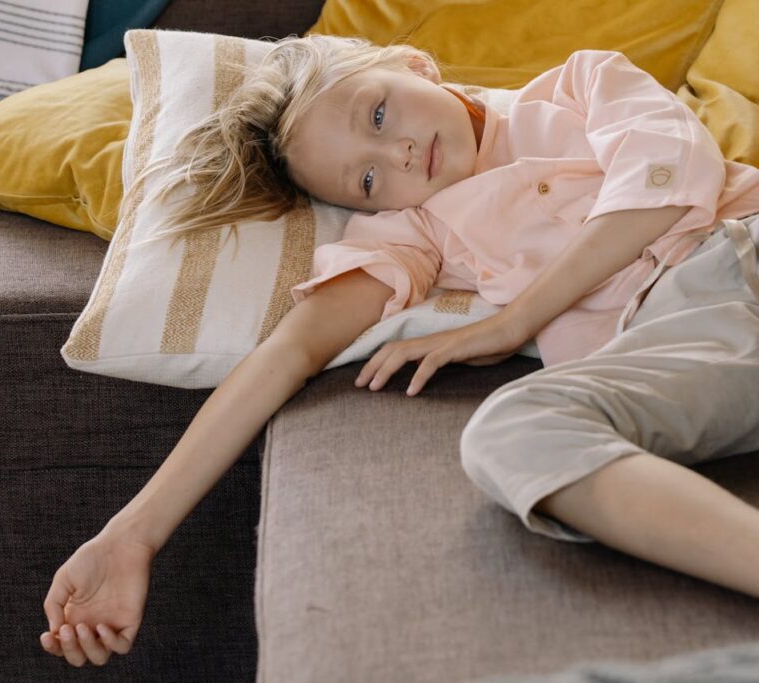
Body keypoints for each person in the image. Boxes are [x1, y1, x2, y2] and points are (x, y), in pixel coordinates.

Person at [38, 34, 759, 668]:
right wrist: (132, 533)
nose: (400, 153)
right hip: (689, 351)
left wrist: (513, 324)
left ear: (412, 64)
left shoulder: (584, 84)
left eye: (379, 114)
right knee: (513, 435)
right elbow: (288, 352)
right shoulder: (417, 233)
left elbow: (668, 186)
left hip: (739, 249)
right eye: (370, 180)